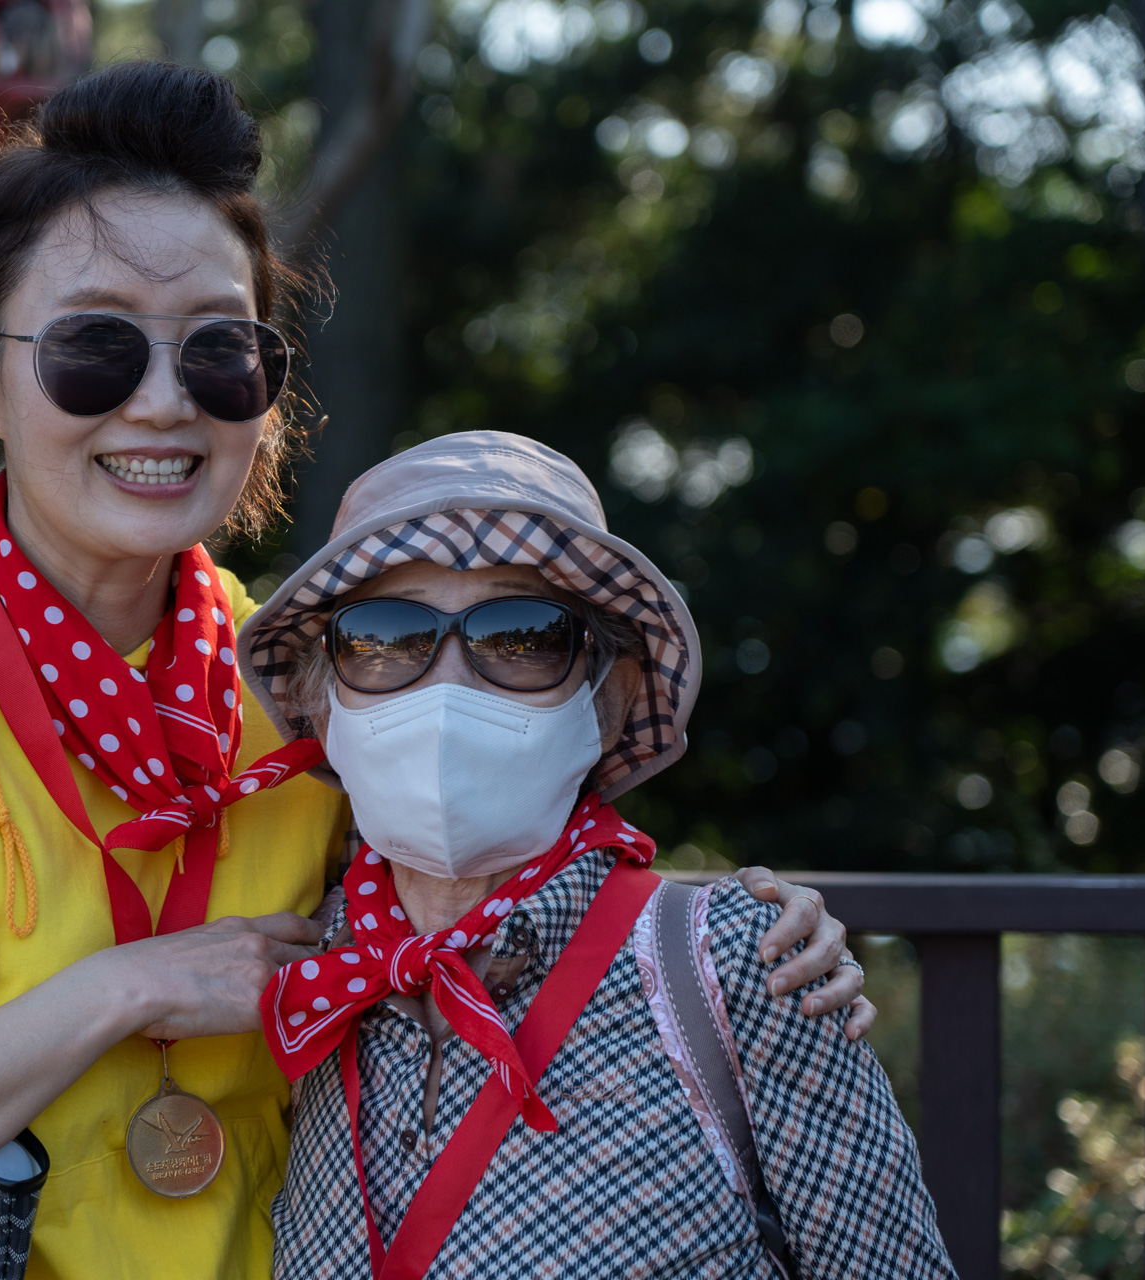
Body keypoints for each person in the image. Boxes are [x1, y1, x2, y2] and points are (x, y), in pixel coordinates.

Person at [0, 61, 870, 1280]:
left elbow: (516, 888)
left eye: (220, 352)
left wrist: (748, 938)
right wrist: (127, 991)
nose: (164, 403)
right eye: (95, 347)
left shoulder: (327, 676)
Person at [242, 431, 952, 1279]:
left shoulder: (741, 964)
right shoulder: (303, 977)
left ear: (610, 698)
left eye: (523, 636)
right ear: (324, 702)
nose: (446, 687)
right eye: (383, 635)